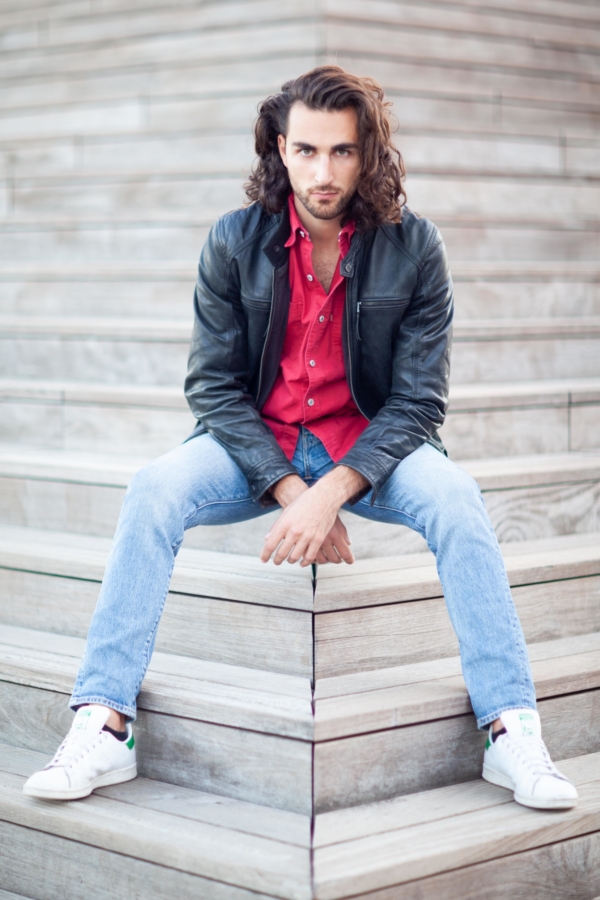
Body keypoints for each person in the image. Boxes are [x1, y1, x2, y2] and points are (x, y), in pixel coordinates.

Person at [24, 66, 577, 811]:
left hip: (369, 443)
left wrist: (337, 488)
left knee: (459, 499)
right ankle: (104, 721)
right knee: (152, 488)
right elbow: (213, 387)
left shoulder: (415, 247)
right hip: (259, 442)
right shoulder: (234, 240)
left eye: (342, 151)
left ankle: (511, 728)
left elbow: (418, 402)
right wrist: (295, 493)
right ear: (280, 149)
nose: (324, 172)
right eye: (308, 151)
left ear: (366, 152)